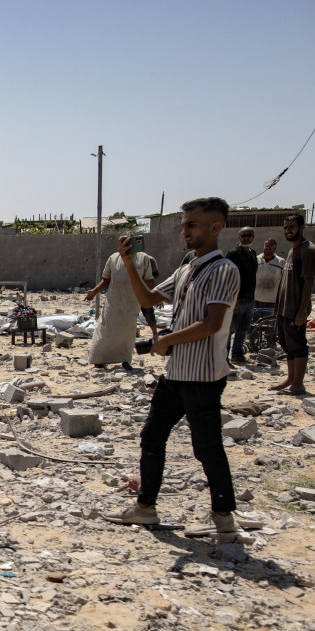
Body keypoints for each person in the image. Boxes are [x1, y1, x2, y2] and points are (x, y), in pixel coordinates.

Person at [104, 198, 241, 539]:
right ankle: (145, 508)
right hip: (176, 373)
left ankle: (224, 519)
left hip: (203, 375)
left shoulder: (223, 270)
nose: (185, 231)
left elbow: (211, 323)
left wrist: (165, 341)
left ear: (215, 227)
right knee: (152, 435)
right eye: (184, 225)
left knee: (206, 446)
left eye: (192, 225)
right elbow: (149, 299)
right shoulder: (187, 269)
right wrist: (129, 264)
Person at [84, 246, 158, 369]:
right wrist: (94, 291)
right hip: (113, 301)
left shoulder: (144, 258)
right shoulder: (113, 258)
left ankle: (125, 360)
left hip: (133, 301)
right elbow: (106, 280)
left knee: (127, 331)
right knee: (106, 329)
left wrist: (154, 296)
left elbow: (150, 280)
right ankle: (100, 359)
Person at [270, 214, 314, 395]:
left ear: (301, 227)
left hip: (296, 308)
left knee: (297, 344)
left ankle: (298, 383)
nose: (288, 230)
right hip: (284, 308)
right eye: (286, 227)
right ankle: (290, 379)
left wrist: (302, 310)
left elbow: (309, 281)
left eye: (292, 227)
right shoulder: (291, 250)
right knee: (286, 344)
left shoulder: (308, 250)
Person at [226, 227, 258, 363]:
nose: (246, 238)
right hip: (237, 298)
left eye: (249, 235)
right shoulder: (234, 254)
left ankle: (237, 354)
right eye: (243, 235)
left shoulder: (253, 254)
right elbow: (228, 276)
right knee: (229, 329)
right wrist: (234, 296)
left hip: (250, 298)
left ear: (253, 237)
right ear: (239, 237)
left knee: (243, 329)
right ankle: (223, 357)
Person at [255, 238, 285, 315]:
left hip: (272, 301)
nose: (268, 248)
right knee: (254, 325)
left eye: (271, 246)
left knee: (269, 325)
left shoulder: (281, 262)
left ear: (275, 248)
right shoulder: (256, 259)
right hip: (256, 300)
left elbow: (284, 281)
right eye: (266, 245)